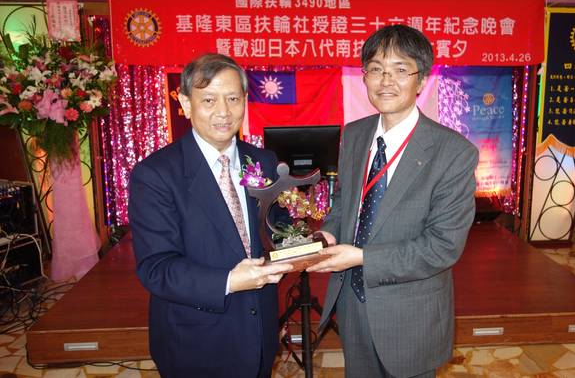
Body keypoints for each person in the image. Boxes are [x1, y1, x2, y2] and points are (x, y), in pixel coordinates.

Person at [307, 25, 479, 378]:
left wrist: (362, 257)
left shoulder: (453, 152)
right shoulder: (355, 134)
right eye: (376, 69)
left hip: (410, 313)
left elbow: (443, 247)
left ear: (421, 80)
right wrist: (328, 233)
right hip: (353, 303)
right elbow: (344, 203)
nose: (386, 80)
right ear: (365, 76)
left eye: (400, 69)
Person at [129, 53, 292, 378]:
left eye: (233, 99)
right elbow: (156, 268)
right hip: (196, 340)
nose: (223, 112)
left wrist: (305, 245)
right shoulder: (156, 174)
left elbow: (278, 230)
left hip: (259, 331)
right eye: (208, 100)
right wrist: (230, 281)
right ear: (185, 104)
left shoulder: (263, 161)